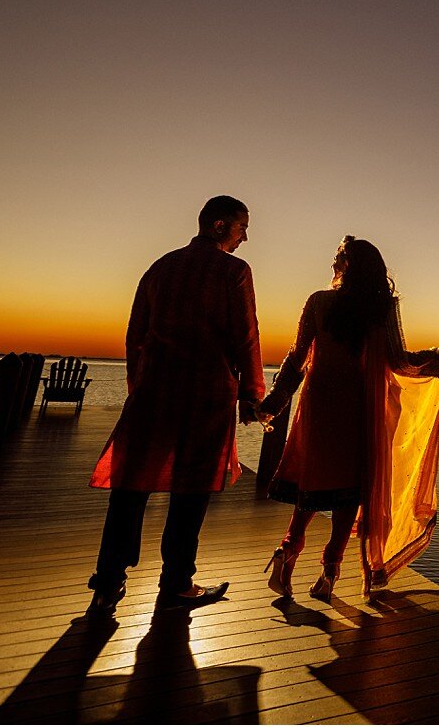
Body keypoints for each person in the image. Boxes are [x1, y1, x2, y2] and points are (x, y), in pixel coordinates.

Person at [85, 195, 266, 616]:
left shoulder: (160, 267)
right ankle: (178, 582)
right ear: (220, 226)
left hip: (154, 392)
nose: (245, 237)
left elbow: (136, 334)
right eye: (242, 227)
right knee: (191, 490)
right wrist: (253, 394)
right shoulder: (233, 271)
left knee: (130, 489)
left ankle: (108, 583)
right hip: (206, 394)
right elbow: (246, 336)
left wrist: (138, 385)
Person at [258, 235, 439, 599]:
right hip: (362, 405)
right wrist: (431, 358)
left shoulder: (319, 301)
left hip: (322, 402)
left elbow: (298, 357)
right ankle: (330, 571)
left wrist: (276, 400)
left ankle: (287, 554)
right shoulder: (381, 308)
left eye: (337, 258)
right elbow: (397, 359)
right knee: (351, 490)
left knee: (312, 485)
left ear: (346, 265)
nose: (332, 263)